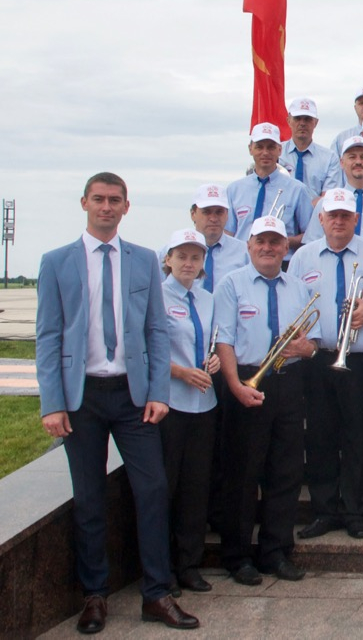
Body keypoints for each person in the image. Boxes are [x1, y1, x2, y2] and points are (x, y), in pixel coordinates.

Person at [36, 173, 199, 631]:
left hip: (133, 396)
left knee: (152, 490)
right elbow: (47, 336)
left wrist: (158, 393)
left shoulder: (144, 260)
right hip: (81, 395)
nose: (106, 207)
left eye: (115, 201)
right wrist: (53, 403)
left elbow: (156, 330)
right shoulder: (56, 262)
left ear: (127, 207)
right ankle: (94, 596)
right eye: (99, 199)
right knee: (89, 498)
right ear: (84, 202)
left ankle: (157, 593)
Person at [214, 214, 321, 584]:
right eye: (261, 240)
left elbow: (314, 343)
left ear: (284, 247)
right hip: (246, 380)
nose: (268, 247)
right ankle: (237, 555)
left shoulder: (298, 286)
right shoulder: (232, 284)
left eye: (276, 241)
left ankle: (275, 551)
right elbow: (223, 340)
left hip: (288, 384)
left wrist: (307, 348)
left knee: (286, 472)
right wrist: (235, 385)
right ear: (249, 244)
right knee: (243, 474)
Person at [289, 189, 363, 540]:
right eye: (332, 215)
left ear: (356, 219)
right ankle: (323, 511)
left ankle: (356, 512)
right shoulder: (303, 257)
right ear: (321, 218)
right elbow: (296, 306)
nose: (338, 220)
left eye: (345, 215)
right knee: (320, 437)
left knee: (358, 437)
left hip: (359, 360)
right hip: (316, 359)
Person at [158, 228, 220, 595]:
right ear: (168, 259)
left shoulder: (208, 298)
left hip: (204, 404)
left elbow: (216, 339)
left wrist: (212, 360)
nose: (188, 263)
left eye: (195, 257)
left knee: (196, 489)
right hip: (171, 404)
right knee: (167, 488)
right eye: (181, 256)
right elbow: (147, 349)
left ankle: (188, 564)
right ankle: (162, 568)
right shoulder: (157, 297)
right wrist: (180, 372)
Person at [225, 123, 313, 254]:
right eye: (259, 147)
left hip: (282, 264)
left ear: (279, 150)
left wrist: (282, 242)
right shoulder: (234, 190)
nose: (265, 152)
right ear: (250, 149)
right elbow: (228, 233)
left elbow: (310, 235)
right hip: (241, 262)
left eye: (271, 147)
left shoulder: (298, 190)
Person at [302, 136, 363, 243]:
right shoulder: (325, 202)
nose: (358, 162)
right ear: (342, 163)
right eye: (352, 157)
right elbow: (312, 243)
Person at [186, 183, 249, 293]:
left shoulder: (245, 253)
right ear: (193, 214)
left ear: (227, 214)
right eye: (206, 212)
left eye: (219, 212)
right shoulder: (174, 252)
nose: (213, 219)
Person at [282, 97, 331, 198]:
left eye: (307, 119)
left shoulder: (329, 158)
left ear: (316, 122)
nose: (302, 123)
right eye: (297, 118)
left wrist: (304, 209)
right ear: (289, 121)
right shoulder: (276, 153)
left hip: (315, 213)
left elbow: (328, 197)